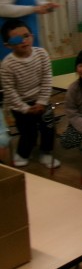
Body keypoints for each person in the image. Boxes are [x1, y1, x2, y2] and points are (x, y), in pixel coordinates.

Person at [0, 18, 59, 168]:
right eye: (17, 39)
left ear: (32, 36)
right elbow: (10, 91)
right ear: (8, 45)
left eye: (26, 36)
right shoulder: (7, 65)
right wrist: (26, 109)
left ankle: (46, 152)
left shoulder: (42, 54)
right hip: (20, 105)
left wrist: (42, 102)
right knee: (28, 132)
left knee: (48, 127)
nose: (24, 41)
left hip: (42, 100)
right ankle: (23, 153)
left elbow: (47, 79)